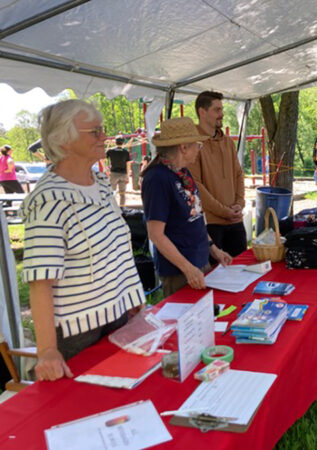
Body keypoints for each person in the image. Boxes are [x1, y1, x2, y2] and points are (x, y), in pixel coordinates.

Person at [19, 99, 146, 381]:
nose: (104, 136)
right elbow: (41, 281)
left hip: (116, 316)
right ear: (63, 140)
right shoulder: (49, 200)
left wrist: (130, 296)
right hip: (77, 334)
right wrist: (48, 350)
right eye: (95, 131)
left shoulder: (100, 185)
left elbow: (117, 248)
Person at [141, 117, 233, 297]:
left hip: (198, 262)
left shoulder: (183, 172)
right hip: (180, 271)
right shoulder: (157, 179)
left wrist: (214, 249)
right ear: (183, 147)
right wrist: (188, 269)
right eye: (197, 144)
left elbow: (195, 217)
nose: (200, 149)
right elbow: (156, 234)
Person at [188, 91, 246, 259]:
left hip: (235, 221)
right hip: (210, 224)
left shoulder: (227, 142)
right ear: (202, 112)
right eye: (217, 110)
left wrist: (239, 203)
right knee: (215, 278)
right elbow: (196, 185)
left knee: (241, 271)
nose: (221, 114)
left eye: (221, 109)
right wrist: (224, 211)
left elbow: (238, 174)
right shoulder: (193, 143)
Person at [105, 134, 131, 206]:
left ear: (115, 142)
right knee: (122, 194)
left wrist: (106, 169)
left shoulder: (110, 151)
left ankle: (113, 208)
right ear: (123, 142)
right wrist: (128, 175)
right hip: (123, 174)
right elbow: (128, 165)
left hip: (113, 173)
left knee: (112, 192)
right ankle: (122, 208)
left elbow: (102, 159)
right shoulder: (126, 152)